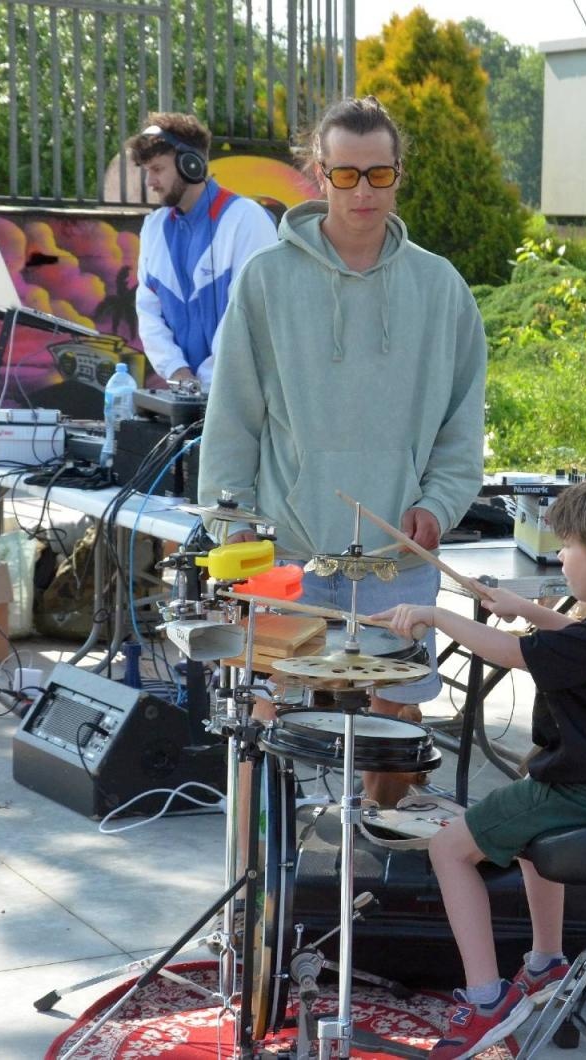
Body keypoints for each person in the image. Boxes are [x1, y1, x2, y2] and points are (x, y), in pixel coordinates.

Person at [198, 96, 488, 807]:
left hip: (398, 556)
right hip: (289, 553)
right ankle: (260, 894)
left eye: (380, 174)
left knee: (394, 724)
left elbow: (461, 421)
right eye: (347, 175)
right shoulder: (267, 280)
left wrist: (438, 506)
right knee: (263, 719)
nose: (364, 191)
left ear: (398, 176)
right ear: (317, 174)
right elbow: (232, 414)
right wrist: (231, 525)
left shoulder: (441, 287)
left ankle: (379, 871)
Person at [372, 471, 586, 1060]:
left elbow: (511, 654)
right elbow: (579, 634)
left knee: (449, 849)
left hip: (580, 790)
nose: (559, 554)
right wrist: (524, 609)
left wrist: (436, 617)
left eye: (568, 547)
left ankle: (486, 1002)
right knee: (525, 836)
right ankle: (544, 961)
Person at [126, 112, 276, 390]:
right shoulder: (153, 228)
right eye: (147, 171)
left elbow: (249, 317)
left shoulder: (247, 220)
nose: (150, 182)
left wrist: (200, 386)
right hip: (189, 395)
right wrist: (178, 372)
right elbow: (148, 314)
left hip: (243, 396)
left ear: (190, 164)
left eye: (157, 169)